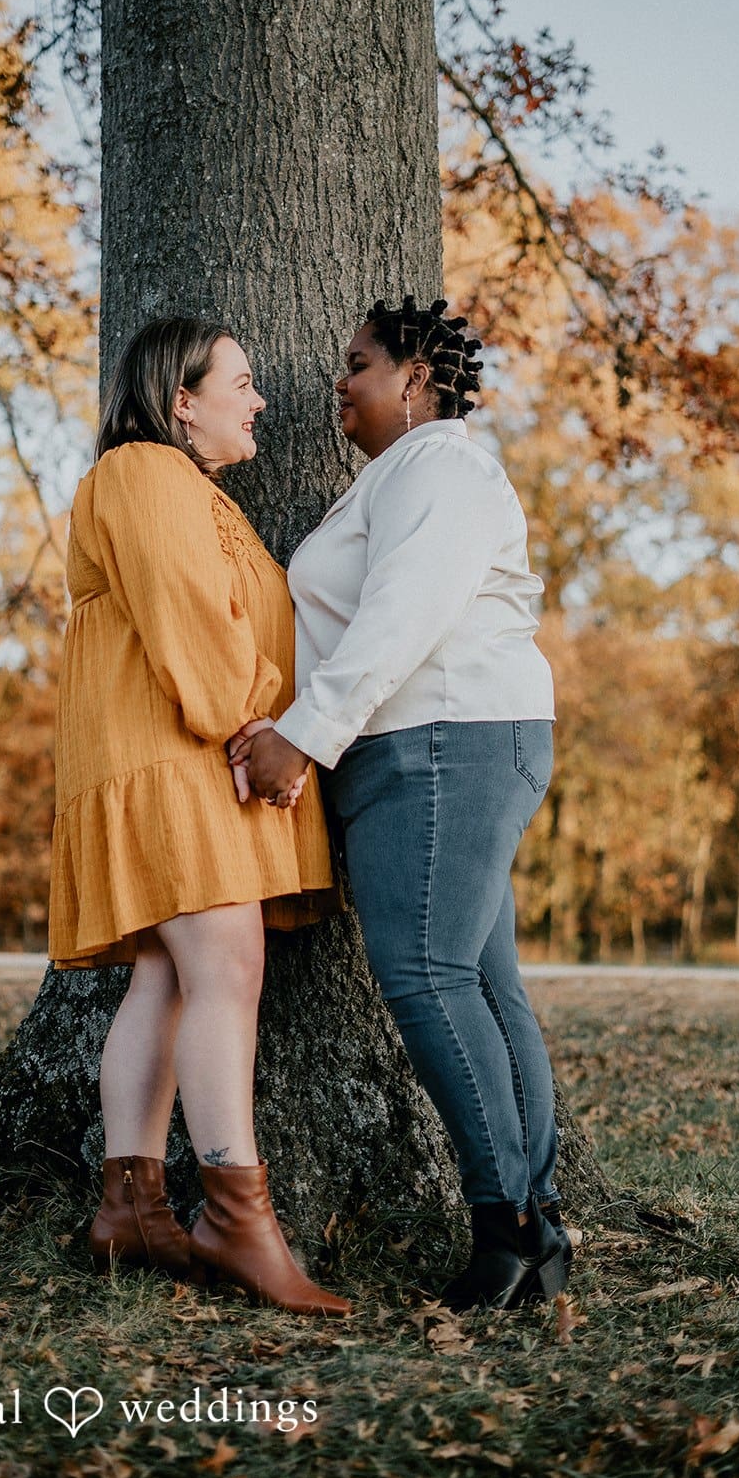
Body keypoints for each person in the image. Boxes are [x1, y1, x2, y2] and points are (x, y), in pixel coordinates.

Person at [231, 295, 568, 1312]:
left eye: (359, 363)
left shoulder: (439, 467)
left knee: (424, 976)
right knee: (482, 985)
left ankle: (502, 1225)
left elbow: (403, 611)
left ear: (416, 378)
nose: (341, 382)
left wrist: (303, 730)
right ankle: (532, 1226)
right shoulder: (400, 477)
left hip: (441, 738)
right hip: (433, 742)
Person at [48, 315, 349, 1318]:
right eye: (241, 381)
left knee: (171, 976)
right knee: (226, 967)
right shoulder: (142, 472)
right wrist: (263, 732)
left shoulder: (187, 491)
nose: (259, 399)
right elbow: (191, 624)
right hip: (178, 757)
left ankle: (129, 1206)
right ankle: (236, 1212)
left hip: (181, 758)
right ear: (180, 398)